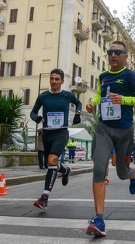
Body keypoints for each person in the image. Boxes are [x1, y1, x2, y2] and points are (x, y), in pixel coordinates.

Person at [85, 41, 135, 236]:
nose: (113, 55)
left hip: (124, 131)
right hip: (104, 128)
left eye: (117, 52)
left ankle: (134, 174)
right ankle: (99, 219)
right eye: (110, 52)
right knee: (98, 168)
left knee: (122, 173)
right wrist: (92, 103)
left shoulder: (129, 75)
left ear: (125, 56)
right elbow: (99, 94)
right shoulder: (103, 77)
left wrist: (125, 100)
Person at [30, 68, 82, 210]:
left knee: (52, 160)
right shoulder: (43, 96)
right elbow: (33, 112)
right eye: (52, 79)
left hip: (61, 133)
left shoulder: (67, 95)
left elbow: (79, 103)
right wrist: (37, 118)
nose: (54, 81)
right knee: (50, 164)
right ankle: (65, 171)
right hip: (47, 133)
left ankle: (44, 198)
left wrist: (78, 114)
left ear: (62, 81)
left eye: (57, 79)